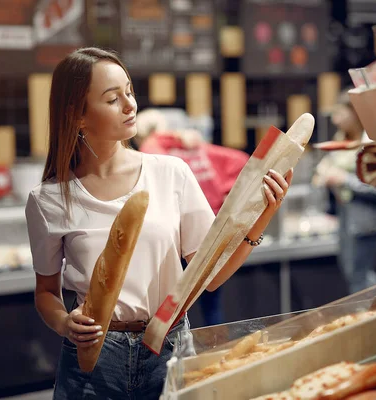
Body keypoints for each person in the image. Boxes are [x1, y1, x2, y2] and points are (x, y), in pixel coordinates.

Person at [24, 47, 293, 400]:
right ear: (78, 116)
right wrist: (64, 323)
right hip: (92, 360)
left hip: (169, 346)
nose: (129, 104)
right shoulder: (49, 200)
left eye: (130, 91)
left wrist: (262, 218)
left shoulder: (170, 173)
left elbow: (209, 277)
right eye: (112, 99)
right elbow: (46, 292)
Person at [132, 108, 250, 326]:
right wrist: (226, 197)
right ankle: (215, 352)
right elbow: (243, 163)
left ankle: (167, 355)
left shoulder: (153, 151)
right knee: (212, 305)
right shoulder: (199, 149)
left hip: (175, 242)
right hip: (210, 235)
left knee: (165, 310)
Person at [313, 89, 376, 294]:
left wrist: (343, 179)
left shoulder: (373, 141)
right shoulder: (342, 139)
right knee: (353, 275)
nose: (336, 120)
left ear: (355, 114)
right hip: (347, 217)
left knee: (359, 277)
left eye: (340, 114)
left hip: (366, 221)